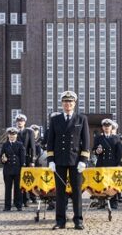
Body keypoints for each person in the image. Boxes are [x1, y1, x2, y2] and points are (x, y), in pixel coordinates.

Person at [47, 90, 90, 231]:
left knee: (77, 192)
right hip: (59, 161)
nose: (68, 104)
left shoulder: (81, 119)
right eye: (65, 102)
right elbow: (50, 141)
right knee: (60, 192)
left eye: (70, 102)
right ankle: (60, 221)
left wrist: (84, 159)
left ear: (74, 103)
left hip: (76, 161)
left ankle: (78, 220)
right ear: (62, 104)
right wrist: (51, 160)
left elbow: (86, 141)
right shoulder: (55, 120)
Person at [92, 118, 122, 209]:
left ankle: (114, 202)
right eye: (105, 126)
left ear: (111, 127)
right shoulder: (98, 138)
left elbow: (119, 153)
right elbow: (94, 150)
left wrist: (116, 164)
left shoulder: (116, 138)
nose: (106, 128)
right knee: (101, 183)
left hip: (112, 164)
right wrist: (97, 151)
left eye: (108, 126)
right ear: (102, 127)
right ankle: (101, 202)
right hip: (101, 163)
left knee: (112, 184)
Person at [1, 127, 25, 211]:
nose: (12, 136)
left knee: (18, 188)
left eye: (13, 135)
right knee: (8, 189)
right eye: (10, 135)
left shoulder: (20, 144)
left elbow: (22, 158)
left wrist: (22, 168)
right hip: (7, 169)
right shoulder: (5, 145)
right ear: (8, 135)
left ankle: (18, 205)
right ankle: (7, 206)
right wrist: (3, 159)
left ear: (16, 135)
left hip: (17, 169)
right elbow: (1, 156)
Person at [15, 114, 35, 207]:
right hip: (16, 160)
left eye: (21, 121)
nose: (20, 122)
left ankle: (26, 200)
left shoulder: (29, 132)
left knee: (26, 180)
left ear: (24, 122)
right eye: (18, 121)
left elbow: (32, 147)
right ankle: (17, 199)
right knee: (17, 180)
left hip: (27, 159)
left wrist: (32, 161)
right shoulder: (14, 132)